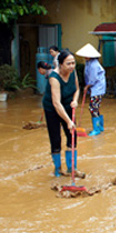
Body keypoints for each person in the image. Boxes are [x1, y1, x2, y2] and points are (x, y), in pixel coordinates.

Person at [42, 50, 84, 179]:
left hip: (68, 105)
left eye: (73, 63)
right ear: (60, 64)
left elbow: (77, 89)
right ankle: (58, 169)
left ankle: (72, 168)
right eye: (68, 64)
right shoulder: (54, 78)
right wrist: (68, 121)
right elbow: (56, 103)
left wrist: (75, 100)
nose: (72, 66)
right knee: (56, 139)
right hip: (53, 109)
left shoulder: (73, 72)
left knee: (73, 136)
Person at [76, 43, 106, 136]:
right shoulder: (89, 62)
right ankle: (100, 127)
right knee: (95, 107)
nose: (85, 57)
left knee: (92, 108)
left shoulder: (94, 65)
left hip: (97, 89)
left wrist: (87, 86)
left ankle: (96, 129)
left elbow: (93, 79)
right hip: (95, 88)